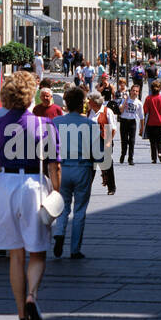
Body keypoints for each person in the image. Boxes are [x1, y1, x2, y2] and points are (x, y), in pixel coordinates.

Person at [0, 70, 58, 320]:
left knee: (15, 253)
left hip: (6, 183)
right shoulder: (45, 125)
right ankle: (32, 295)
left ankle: (22, 317)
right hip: (34, 184)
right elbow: (54, 165)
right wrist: (56, 191)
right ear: (30, 96)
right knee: (37, 251)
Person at [51, 85, 105, 258]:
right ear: (82, 104)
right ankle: (75, 249)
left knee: (63, 205)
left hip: (62, 168)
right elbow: (99, 154)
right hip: (82, 168)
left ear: (66, 103)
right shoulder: (90, 125)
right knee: (80, 209)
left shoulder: (56, 123)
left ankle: (59, 232)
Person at [90, 90, 118, 197]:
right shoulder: (90, 111)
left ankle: (111, 187)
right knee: (91, 166)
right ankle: (86, 188)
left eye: (90, 101)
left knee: (107, 165)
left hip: (104, 140)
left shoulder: (107, 111)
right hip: (92, 142)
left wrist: (108, 142)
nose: (88, 102)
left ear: (95, 102)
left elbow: (113, 128)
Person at [141, 80, 161, 164]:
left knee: (152, 141)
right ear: (160, 89)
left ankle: (154, 158)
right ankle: (159, 152)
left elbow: (145, 110)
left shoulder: (148, 98)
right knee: (160, 139)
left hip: (151, 122)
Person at [118, 85, 143, 166]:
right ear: (130, 91)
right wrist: (125, 99)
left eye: (136, 91)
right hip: (124, 121)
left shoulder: (139, 103)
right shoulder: (124, 100)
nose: (135, 92)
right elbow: (121, 110)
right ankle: (123, 154)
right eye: (133, 90)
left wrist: (141, 128)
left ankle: (130, 158)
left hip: (132, 122)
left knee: (132, 141)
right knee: (124, 140)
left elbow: (142, 117)